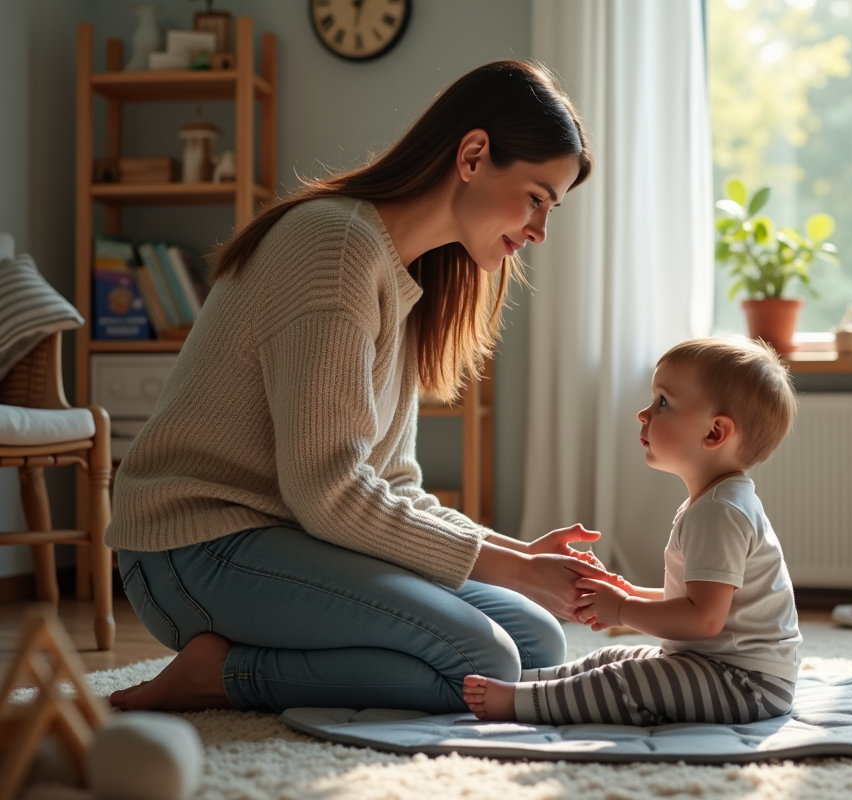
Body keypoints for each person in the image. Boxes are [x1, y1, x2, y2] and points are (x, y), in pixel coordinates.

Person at [106, 60, 608, 715]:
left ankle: (248, 663)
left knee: (538, 645)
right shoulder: (335, 246)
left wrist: (517, 552)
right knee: (484, 663)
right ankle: (218, 676)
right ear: (475, 155)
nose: (540, 230)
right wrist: (511, 569)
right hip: (191, 551)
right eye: (537, 197)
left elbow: (391, 486)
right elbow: (329, 494)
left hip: (286, 540)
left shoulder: (402, 275)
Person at [463, 337, 802, 725]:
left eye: (662, 402)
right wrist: (628, 593)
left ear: (714, 434)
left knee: (629, 679)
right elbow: (691, 600)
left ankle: (525, 704)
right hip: (723, 668)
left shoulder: (719, 513)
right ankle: (533, 683)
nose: (644, 413)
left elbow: (703, 620)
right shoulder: (715, 503)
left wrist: (623, 610)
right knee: (615, 658)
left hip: (747, 684)